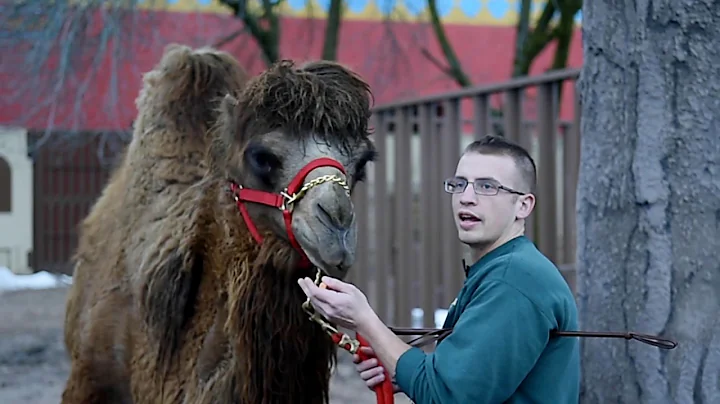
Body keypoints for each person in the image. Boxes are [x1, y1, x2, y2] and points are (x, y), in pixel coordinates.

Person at [298, 135, 580, 404]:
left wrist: (364, 319)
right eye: (459, 184)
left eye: (487, 186)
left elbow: (445, 396)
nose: (467, 197)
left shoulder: (515, 280)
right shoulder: (503, 268)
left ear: (523, 205)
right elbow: (457, 380)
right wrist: (399, 372)